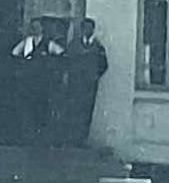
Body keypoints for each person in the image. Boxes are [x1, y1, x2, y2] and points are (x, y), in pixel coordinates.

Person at [11, 18, 65, 143]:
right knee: (27, 107)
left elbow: (61, 53)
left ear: (42, 28)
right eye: (32, 26)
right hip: (28, 81)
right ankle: (27, 134)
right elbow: (14, 52)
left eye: (37, 26)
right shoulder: (26, 42)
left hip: (42, 81)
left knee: (41, 107)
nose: (34, 29)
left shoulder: (48, 43)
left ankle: (40, 134)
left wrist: (52, 66)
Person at [66, 18, 108, 147]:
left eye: (90, 28)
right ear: (82, 29)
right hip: (75, 83)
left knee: (87, 110)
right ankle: (71, 138)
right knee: (73, 109)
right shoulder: (74, 45)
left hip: (89, 84)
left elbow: (104, 64)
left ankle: (82, 139)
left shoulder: (98, 46)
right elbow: (67, 61)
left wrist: (96, 76)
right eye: (85, 28)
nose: (87, 30)